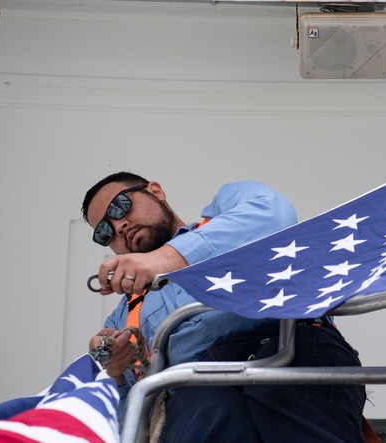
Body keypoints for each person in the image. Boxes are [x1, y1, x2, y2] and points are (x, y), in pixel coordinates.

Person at [81, 172, 366, 442]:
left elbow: (274, 214)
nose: (119, 226)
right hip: (196, 393)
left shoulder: (227, 212)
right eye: (105, 232)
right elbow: (129, 426)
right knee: (208, 412)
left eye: (121, 207)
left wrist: (164, 260)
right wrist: (114, 375)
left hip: (294, 345)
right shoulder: (123, 317)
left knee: (283, 390)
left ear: (155, 191)